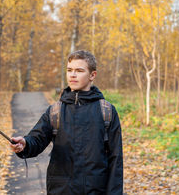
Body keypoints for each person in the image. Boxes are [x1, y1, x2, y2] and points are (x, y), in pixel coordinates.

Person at [10, 50, 123, 194]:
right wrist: (24, 144)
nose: (73, 75)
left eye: (79, 70)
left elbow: (116, 160)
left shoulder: (106, 111)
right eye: (69, 70)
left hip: (95, 190)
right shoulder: (55, 111)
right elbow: (36, 139)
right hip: (61, 189)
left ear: (92, 75)